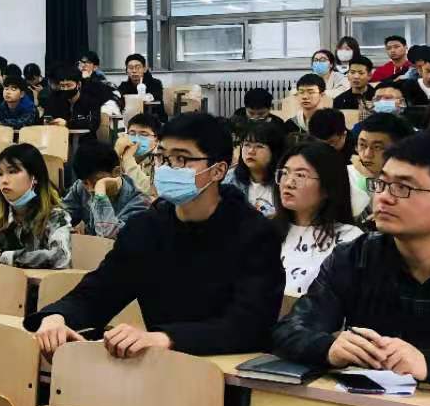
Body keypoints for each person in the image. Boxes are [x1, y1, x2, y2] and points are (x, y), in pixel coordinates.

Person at [272, 127, 430, 394]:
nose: (383, 197)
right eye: (381, 184)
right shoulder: (354, 257)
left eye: (403, 188)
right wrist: (328, 348)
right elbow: (289, 330)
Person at [26, 113, 284, 358]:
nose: (169, 168)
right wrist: (57, 317)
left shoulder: (255, 234)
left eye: (182, 159)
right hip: (157, 366)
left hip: (227, 373)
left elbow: (250, 324)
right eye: (163, 157)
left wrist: (167, 338)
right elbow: (100, 291)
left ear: (218, 170)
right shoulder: (146, 228)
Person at [274, 139, 363, 297]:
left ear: (328, 187)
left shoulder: (350, 240)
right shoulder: (266, 230)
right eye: (285, 173)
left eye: (300, 175)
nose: (288, 183)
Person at [62, 139, 149, 238]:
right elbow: (60, 214)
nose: (90, 189)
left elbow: (109, 237)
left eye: (96, 181)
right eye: (85, 183)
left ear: (117, 172)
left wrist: (100, 194)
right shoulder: (81, 187)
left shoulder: (140, 204)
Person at [348, 111, 415, 222]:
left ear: (400, 149)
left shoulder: (414, 181)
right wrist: (365, 178)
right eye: (362, 145)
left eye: (377, 147)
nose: (367, 154)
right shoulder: (345, 175)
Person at [225, 119, 286, 216]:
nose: (251, 151)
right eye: (246, 145)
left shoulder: (284, 182)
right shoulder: (229, 181)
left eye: (259, 146)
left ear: (274, 151)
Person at [40, 64, 113, 130]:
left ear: (79, 85)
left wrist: (67, 124)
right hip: (61, 138)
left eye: (69, 85)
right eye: (62, 86)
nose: (65, 89)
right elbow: (45, 118)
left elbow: (93, 124)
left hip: (85, 139)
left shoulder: (91, 100)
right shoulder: (55, 99)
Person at [115, 111, 161, 199]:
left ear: (156, 139)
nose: (136, 139)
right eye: (132, 133)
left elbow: (148, 190)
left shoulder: (161, 160)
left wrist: (128, 159)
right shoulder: (123, 151)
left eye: (144, 134)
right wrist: (116, 154)